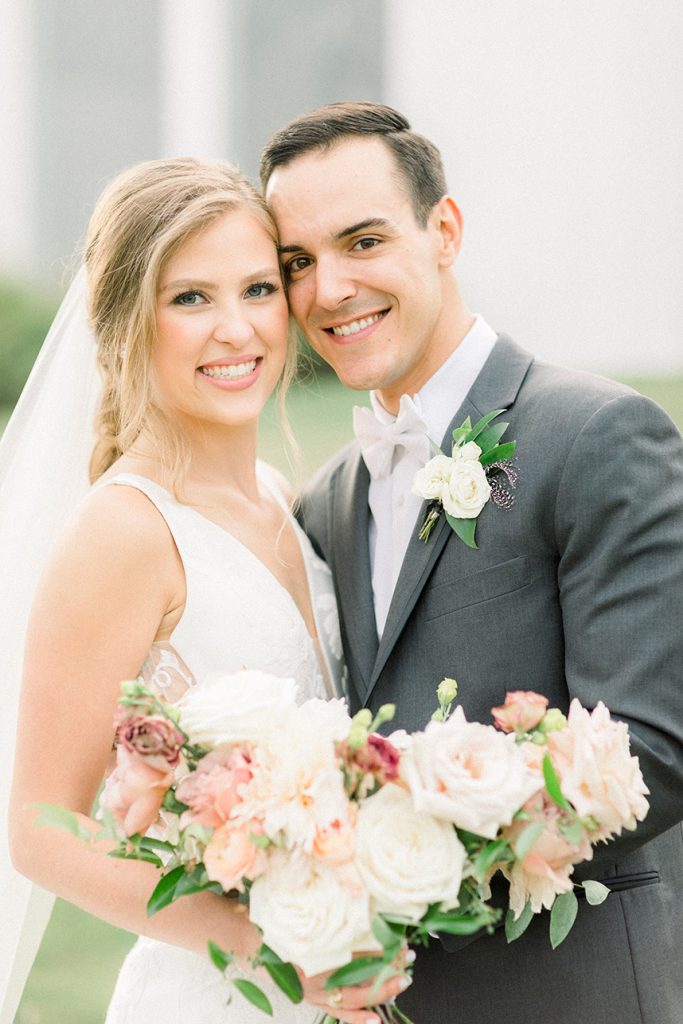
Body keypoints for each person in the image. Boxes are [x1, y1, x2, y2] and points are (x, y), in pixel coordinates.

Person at [261, 101, 683, 1024]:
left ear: (442, 230)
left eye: (362, 241)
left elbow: (654, 752)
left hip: (572, 995)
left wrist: (395, 874)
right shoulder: (324, 500)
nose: (329, 289)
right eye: (296, 263)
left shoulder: (599, 437)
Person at [1, 157, 408, 1024]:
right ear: (125, 324)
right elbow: (41, 832)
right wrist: (280, 952)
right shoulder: (125, 530)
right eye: (190, 298)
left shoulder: (271, 493)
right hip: (221, 994)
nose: (237, 329)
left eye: (258, 288)